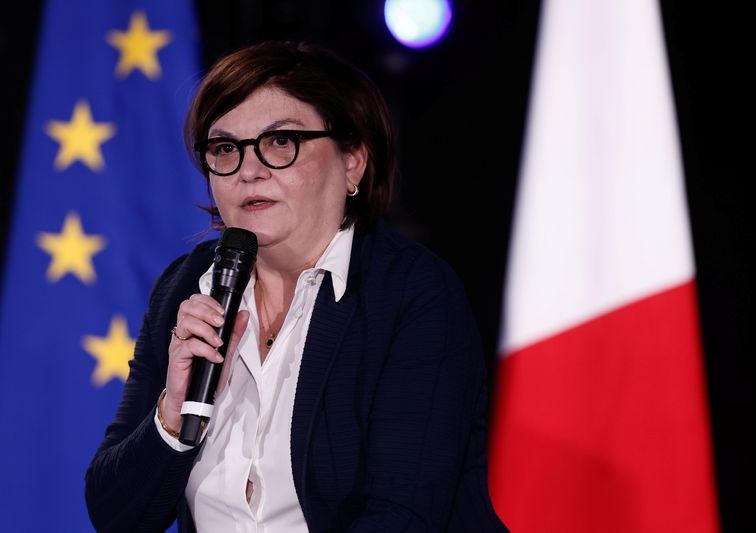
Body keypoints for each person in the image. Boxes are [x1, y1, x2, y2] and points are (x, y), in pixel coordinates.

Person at [85, 40, 507, 532]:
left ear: (352, 161)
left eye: (280, 142)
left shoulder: (414, 295)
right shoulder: (187, 286)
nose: (249, 169)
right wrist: (172, 417)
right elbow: (116, 516)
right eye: (225, 148)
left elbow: (403, 515)